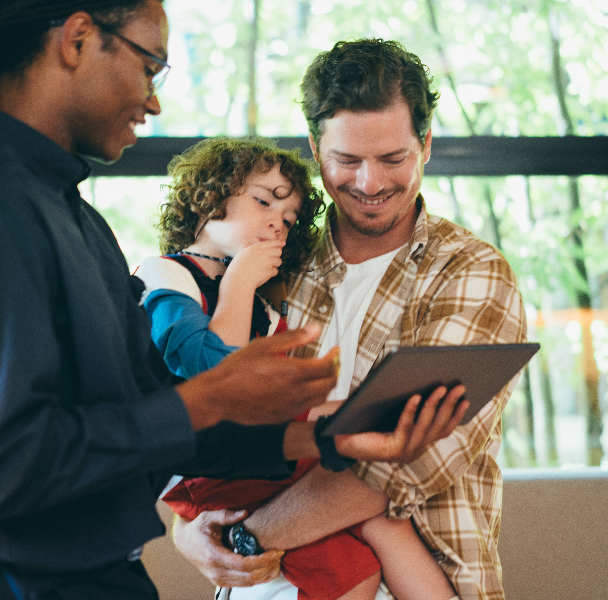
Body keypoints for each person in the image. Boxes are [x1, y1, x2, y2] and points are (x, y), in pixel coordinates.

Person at [0, 2, 468, 598]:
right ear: (78, 39)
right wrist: (211, 395)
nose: (153, 101)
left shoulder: (71, 219)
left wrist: (327, 439)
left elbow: (145, 420)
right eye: (149, 67)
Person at [172, 38, 527, 600]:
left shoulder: (470, 273)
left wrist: (240, 535)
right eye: (347, 160)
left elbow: (400, 465)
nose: (369, 183)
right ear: (315, 149)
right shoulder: (272, 265)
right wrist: (186, 532)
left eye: (393, 159)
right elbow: (205, 425)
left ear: (426, 144)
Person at [137, 137, 458, 600]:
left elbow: (276, 399)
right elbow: (216, 380)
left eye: (287, 219)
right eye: (262, 201)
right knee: (365, 516)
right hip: (209, 465)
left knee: (376, 530)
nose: (275, 222)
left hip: (262, 453)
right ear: (208, 198)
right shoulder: (166, 276)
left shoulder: (266, 311)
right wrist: (238, 284)